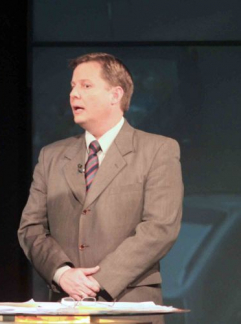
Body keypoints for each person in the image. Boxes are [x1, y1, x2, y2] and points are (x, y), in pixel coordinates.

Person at [18, 53, 183, 324]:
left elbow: (160, 227)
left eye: (85, 86)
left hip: (129, 306)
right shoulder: (52, 156)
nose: (74, 95)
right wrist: (62, 274)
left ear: (115, 95)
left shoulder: (158, 150)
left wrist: (97, 281)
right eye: (72, 86)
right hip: (63, 308)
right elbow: (31, 228)